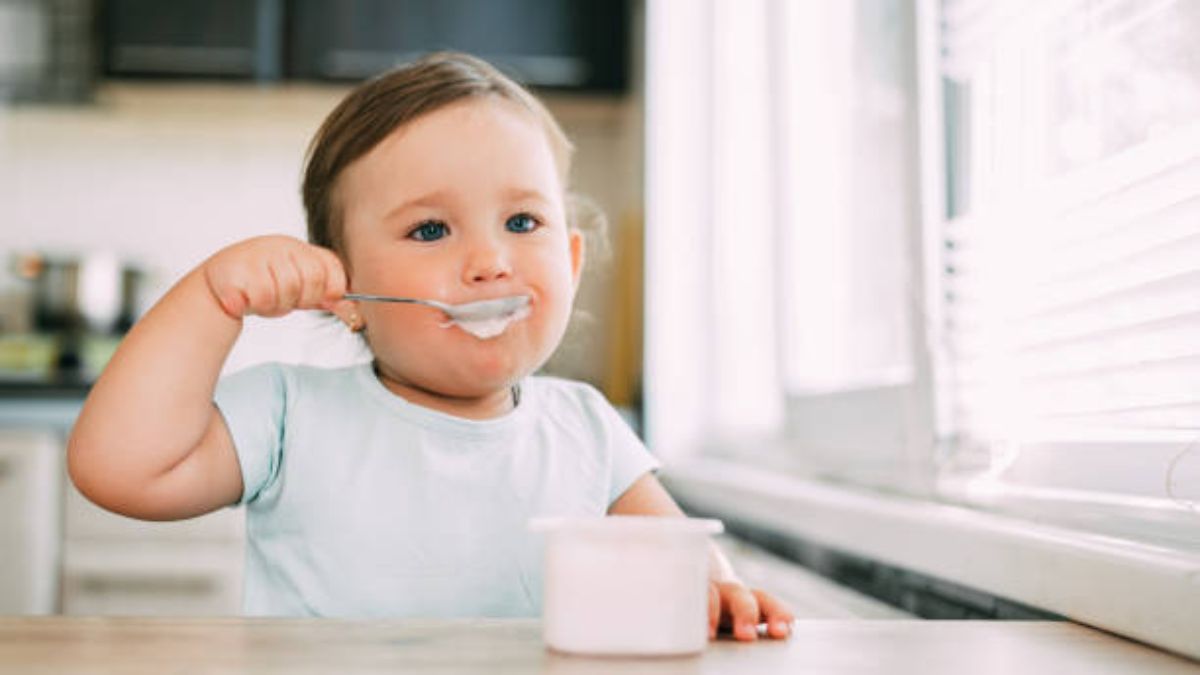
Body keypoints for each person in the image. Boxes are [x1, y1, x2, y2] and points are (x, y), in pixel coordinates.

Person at [67, 51, 793, 641]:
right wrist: (211, 297)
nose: (489, 261)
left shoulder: (587, 429)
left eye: (522, 222)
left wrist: (720, 586)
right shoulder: (289, 415)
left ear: (569, 264)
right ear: (344, 295)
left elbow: (683, 557)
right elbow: (118, 468)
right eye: (430, 230)